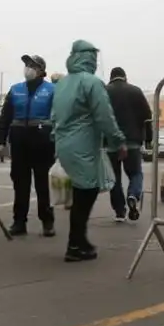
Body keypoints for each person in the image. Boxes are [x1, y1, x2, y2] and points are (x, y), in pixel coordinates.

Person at [51, 40, 127, 261]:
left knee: (80, 192)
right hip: (83, 144)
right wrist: (118, 140)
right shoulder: (92, 83)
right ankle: (75, 245)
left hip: (64, 143)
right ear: (89, 58)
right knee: (86, 192)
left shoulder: (63, 83)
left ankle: (80, 241)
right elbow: (104, 115)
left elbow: (54, 115)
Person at [0, 55, 57, 237]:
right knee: (20, 183)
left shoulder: (52, 90)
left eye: (31, 65)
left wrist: (58, 141)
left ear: (40, 70)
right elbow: (5, 117)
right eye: (26, 65)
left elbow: (58, 117)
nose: (27, 68)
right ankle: (19, 222)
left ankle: (47, 222)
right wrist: (0, 141)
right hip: (19, 142)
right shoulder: (15, 90)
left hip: (42, 142)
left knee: (42, 183)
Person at [105, 67, 152, 222]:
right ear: (125, 77)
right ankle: (133, 194)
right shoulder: (135, 91)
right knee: (135, 173)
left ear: (111, 78)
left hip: (111, 143)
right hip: (132, 142)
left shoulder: (104, 92)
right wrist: (148, 139)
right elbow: (147, 116)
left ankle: (119, 212)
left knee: (114, 178)